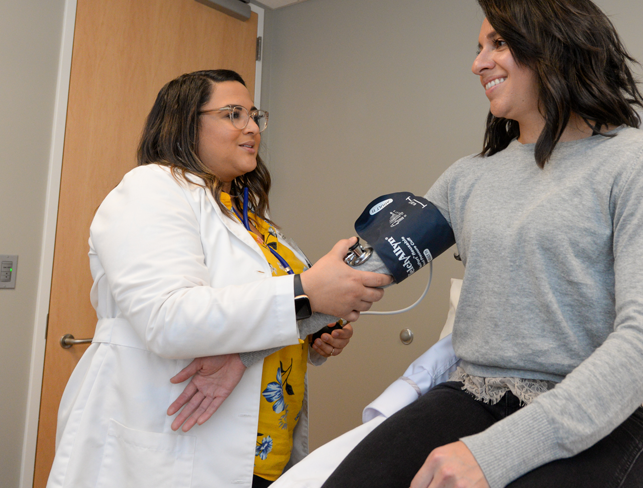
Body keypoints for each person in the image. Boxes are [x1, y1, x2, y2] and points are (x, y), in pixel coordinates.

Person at [321, 0, 643, 488]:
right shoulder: (467, 177)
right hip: (472, 395)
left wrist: (493, 455)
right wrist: (265, 336)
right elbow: (355, 274)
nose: (478, 64)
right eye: (478, 48)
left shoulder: (640, 162)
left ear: (554, 45)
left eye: (497, 43)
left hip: (600, 416)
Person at [46, 69, 391, 488]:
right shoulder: (151, 189)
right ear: (184, 125)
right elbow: (169, 317)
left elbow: (267, 312)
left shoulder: (253, 220)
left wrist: (315, 332)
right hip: (172, 435)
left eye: (254, 115)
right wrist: (306, 294)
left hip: (260, 443)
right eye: (233, 114)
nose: (251, 128)